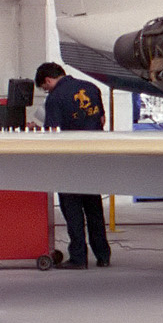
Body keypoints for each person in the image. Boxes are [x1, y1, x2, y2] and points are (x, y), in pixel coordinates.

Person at [34, 62, 110, 268]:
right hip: (92, 158)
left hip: (69, 162)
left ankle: (78, 257)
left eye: (44, 87)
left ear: (48, 80)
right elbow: (101, 119)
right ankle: (103, 256)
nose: (46, 90)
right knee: (94, 208)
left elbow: (53, 133)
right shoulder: (92, 88)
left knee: (73, 210)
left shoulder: (55, 98)